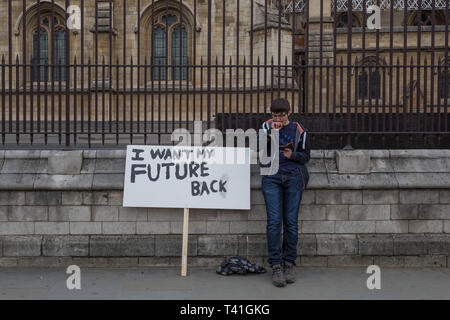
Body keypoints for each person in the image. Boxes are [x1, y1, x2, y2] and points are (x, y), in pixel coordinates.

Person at [259, 98, 310, 288]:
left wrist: (292, 155)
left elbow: (306, 156)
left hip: (293, 177)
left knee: (291, 222)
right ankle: (276, 266)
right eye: (274, 115)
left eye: (281, 114)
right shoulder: (266, 127)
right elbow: (262, 154)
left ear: (289, 113)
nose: (277, 118)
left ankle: (289, 263)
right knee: (273, 222)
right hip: (271, 177)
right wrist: (273, 135)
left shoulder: (300, 131)